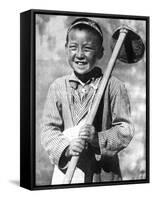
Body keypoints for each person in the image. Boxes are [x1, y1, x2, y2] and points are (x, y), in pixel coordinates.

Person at [41, 18, 134, 184]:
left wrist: (97, 138)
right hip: (69, 171)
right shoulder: (57, 87)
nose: (79, 55)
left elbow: (125, 130)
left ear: (100, 53)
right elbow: (48, 130)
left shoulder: (114, 86)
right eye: (73, 48)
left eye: (88, 49)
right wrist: (67, 149)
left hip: (103, 175)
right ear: (65, 49)